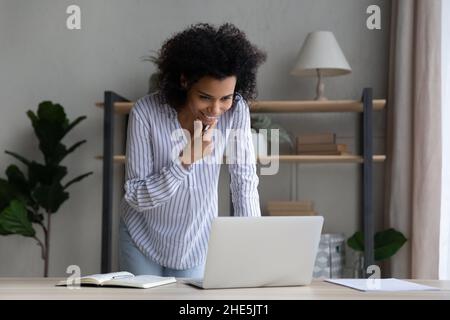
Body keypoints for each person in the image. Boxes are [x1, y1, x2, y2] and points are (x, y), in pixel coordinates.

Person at [119, 23, 266, 278]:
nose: (216, 109)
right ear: (184, 80)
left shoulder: (237, 110)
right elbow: (137, 197)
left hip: (195, 243)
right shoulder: (146, 112)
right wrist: (185, 161)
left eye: (225, 98)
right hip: (142, 236)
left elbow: (243, 181)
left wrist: (252, 243)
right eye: (205, 97)